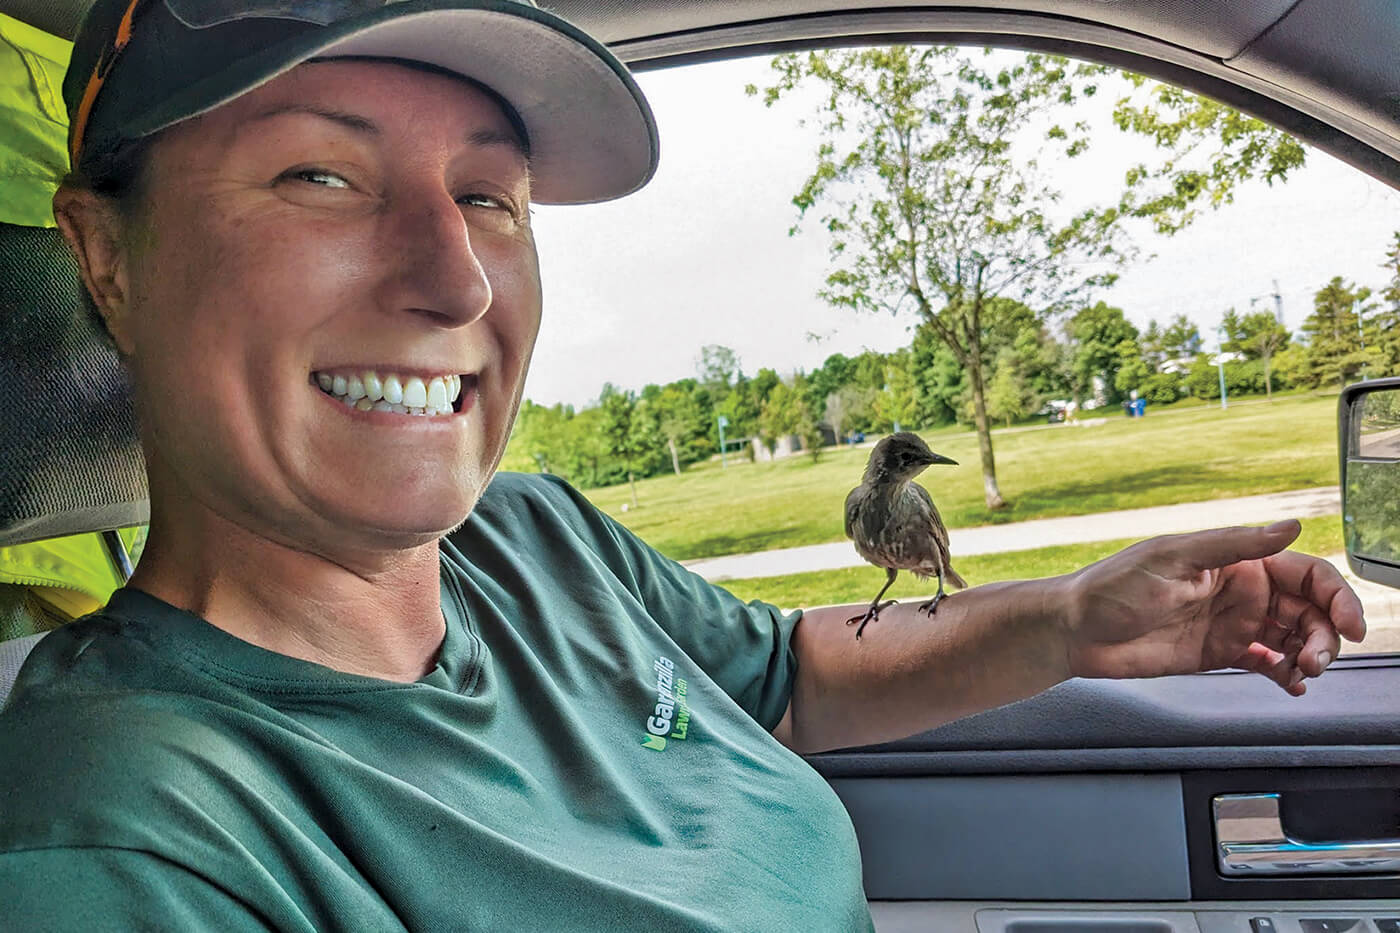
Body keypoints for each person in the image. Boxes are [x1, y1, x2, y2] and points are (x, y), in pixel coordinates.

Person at [0, 1, 1366, 930]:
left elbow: (787, 678)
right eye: (320, 177)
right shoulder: (118, 837)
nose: (455, 278)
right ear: (106, 257)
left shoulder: (537, 545)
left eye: (488, 195)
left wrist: (1076, 618)